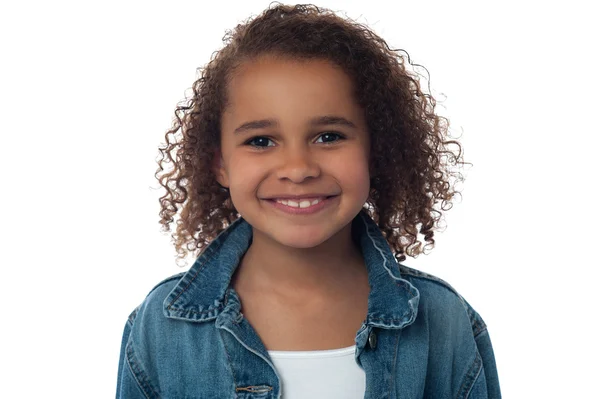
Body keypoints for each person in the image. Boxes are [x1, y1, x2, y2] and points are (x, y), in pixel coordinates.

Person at [116, 3, 501, 398]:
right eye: (260, 141)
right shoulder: (161, 328)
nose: (298, 168)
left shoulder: (442, 321)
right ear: (220, 163)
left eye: (329, 136)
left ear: (375, 151)